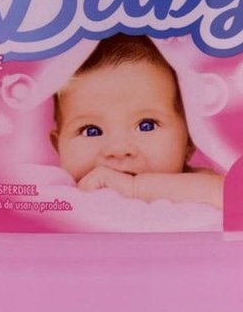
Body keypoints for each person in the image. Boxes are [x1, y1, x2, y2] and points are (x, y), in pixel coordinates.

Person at [51, 34, 223, 208]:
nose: (118, 149)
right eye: (91, 131)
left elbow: (229, 194)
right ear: (58, 147)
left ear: (190, 140)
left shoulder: (199, 187)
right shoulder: (55, 194)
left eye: (146, 126)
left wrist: (134, 188)